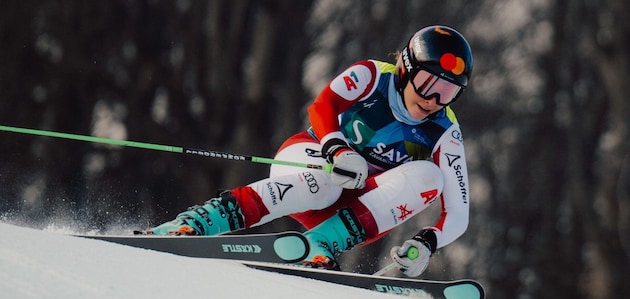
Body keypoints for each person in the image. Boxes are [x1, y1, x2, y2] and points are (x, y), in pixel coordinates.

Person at [144, 25, 473, 277]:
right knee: (329, 182)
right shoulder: (373, 76)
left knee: (430, 176)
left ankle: (322, 245)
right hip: (309, 161)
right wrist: (337, 149)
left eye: (448, 91)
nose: (433, 100)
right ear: (405, 68)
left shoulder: (445, 131)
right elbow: (323, 104)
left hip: (354, 212)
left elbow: (458, 212)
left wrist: (427, 243)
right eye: (429, 84)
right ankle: (199, 221)